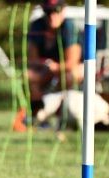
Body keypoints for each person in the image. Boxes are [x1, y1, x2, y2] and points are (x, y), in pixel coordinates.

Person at [14, 0, 83, 131]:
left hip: (69, 69)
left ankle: (63, 119)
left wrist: (56, 68)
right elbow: (32, 59)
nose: (52, 15)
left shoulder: (69, 27)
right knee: (28, 77)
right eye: (48, 11)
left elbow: (72, 62)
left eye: (55, 11)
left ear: (63, 10)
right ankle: (38, 117)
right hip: (46, 69)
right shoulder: (37, 25)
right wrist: (46, 66)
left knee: (68, 77)